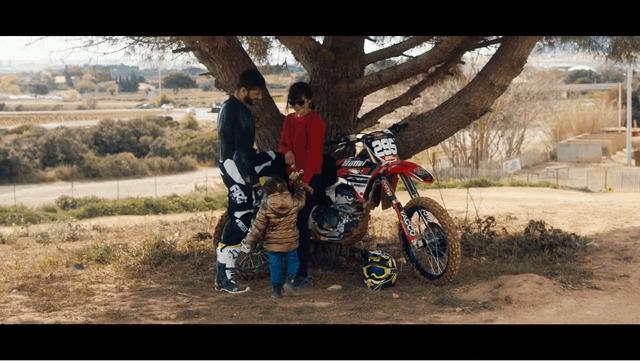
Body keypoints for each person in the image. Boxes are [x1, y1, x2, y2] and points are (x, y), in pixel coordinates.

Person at [215, 69, 285, 294]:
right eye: (256, 93)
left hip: (242, 163)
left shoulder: (233, 108)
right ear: (243, 90)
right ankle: (224, 277)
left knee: (276, 158)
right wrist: (252, 183)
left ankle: (284, 206)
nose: (260, 98)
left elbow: (244, 150)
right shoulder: (234, 110)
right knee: (241, 219)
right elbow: (237, 154)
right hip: (236, 168)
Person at [277, 82, 326, 287]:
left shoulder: (316, 122)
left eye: (300, 102)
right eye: (292, 102)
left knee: (300, 224)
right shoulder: (289, 120)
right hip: (290, 177)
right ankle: (290, 269)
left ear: (310, 100)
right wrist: (286, 151)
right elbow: (282, 143)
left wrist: (304, 184)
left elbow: (315, 157)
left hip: (309, 179)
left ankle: (302, 273)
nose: (296, 106)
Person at [239, 175, 311, 298]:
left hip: (273, 244)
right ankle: (290, 281)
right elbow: (302, 201)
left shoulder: (266, 207)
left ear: (267, 192)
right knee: (293, 261)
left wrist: (249, 242)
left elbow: (258, 227)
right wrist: (299, 188)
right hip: (290, 242)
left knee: (275, 265)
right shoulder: (293, 202)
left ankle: (276, 290)